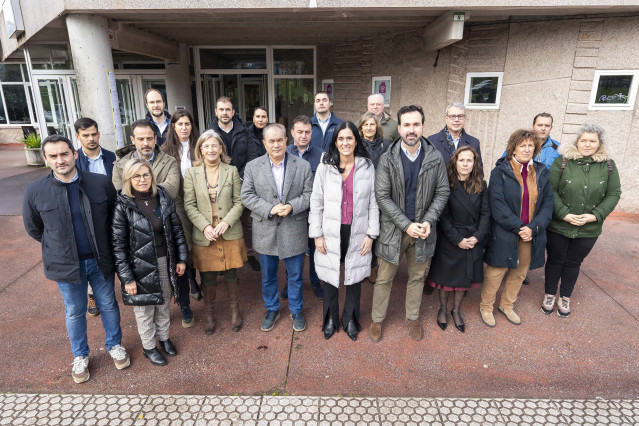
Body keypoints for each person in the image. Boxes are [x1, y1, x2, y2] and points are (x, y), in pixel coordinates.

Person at [23, 135, 129, 384]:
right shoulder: (35, 190)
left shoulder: (100, 183)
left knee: (108, 304)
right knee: (74, 311)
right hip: (65, 265)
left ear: (74, 154)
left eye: (64, 154)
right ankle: (80, 356)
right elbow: (34, 228)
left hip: (100, 259)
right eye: (53, 156)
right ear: (46, 159)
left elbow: (115, 219)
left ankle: (114, 345)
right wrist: (59, 248)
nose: (60, 160)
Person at [369, 105, 449, 343]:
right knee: (384, 277)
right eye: (406, 125)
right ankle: (377, 319)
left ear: (423, 126)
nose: (411, 130)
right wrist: (406, 225)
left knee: (417, 277)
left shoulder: (435, 157)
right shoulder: (387, 159)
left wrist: (427, 220)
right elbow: (382, 196)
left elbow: (443, 191)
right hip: (394, 230)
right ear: (399, 127)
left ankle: (412, 317)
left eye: (416, 124)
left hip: (423, 230)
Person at [112, 119, 195, 328]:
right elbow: (122, 194)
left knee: (178, 268)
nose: (146, 142)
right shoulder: (120, 165)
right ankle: (151, 326)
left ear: (156, 138)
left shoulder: (168, 160)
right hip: (137, 230)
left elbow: (172, 189)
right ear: (133, 140)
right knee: (146, 274)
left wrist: (140, 185)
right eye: (140, 139)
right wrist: (151, 186)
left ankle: (184, 305)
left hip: (166, 222)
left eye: (150, 138)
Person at [112, 158, 188, 366]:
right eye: (136, 176)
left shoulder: (162, 198)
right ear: (129, 179)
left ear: (152, 177)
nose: (142, 179)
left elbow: (177, 231)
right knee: (144, 310)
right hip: (139, 267)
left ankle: (163, 338)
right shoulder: (123, 205)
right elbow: (118, 246)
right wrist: (127, 278)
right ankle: (149, 347)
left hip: (165, 260)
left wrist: (181, 258)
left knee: (163, 303)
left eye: (146, 175)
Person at [309, 121, 379, 341]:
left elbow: (374, 203)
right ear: (335, 141)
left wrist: (371, 234)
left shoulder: (367, 166)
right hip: (330, 229)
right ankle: (330, 318)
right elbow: (316, 201)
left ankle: (350, 319)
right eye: (341, 138)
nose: (345, 142)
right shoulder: (325, 166)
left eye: (349, 138)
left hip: (357, 229)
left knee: (354, 276)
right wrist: (317, 234)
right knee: (330, 275)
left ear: (356, 140)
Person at [542, 124, 621, 317]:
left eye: (592, 141)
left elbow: (614, 193)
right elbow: (549, 190)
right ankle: (550, 294)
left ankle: (565, 296)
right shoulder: (562, 162)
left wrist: (595, 216)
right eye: (583, 140)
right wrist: (564, 214)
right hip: (559, 225)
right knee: (555, 260)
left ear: (599, 143)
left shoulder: (609, 165)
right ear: (576, 142)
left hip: (589, 228)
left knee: (573, 263)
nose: (587, 144)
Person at [241, 123, 313, 333]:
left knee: (296, 276)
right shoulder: (253, 167)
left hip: (294, 228)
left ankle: (296, 309)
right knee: (268, 276)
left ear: (286, 140)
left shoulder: (302, 166)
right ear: (264, 143)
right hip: (266, 229)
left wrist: (292, 206)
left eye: (279, 140)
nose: (276, 144)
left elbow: (310, 195)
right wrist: (270, 208)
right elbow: (246, 196)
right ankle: (272, 308)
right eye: (271, 141)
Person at [480, 129, 553, 328]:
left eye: (531, 146)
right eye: (523, 145)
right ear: (513, 147)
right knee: (496, 271)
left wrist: (533, 228)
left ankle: (507, 305)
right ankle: (486, 307)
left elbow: (548, 204)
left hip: (531, 233)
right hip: (506, 231)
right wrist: (520, 227)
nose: (527, 149)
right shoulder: (500, 171)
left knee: (520, 272)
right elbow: (496, 203)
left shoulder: (542, 171)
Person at [184, 130, 247, 334]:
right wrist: (205, 226)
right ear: (200, 149)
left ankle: (235, 310)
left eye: (214, 146)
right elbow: (189, 205)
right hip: (205, 234)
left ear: (221, 149)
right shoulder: (191, 174)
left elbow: (239, 202)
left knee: (231, 274)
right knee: (208, 277)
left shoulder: (231, 170)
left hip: (228, 232)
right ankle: (209, 314)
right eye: (206, 146)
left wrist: (227, 222)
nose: (210, 149)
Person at [426, 146, 490, 333]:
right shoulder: (446, 183)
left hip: (473, 239)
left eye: (469, 160)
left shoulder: (481, 184)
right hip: (451, 239)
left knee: (464, 280)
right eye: (461, 160)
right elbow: (442, 216)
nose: (465, 164)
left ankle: (456, 311)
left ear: (474, 163)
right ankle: (443, 309)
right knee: (446, 279)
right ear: (455, 161)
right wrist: (458, 239)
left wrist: (477, 237)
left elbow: (486, 213)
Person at [502, 112, 560, 285]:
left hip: (541, 197)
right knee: (515, 232)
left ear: (551, 127)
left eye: (546, 125)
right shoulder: (519, 143)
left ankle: (523, 268)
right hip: (519, 196)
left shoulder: (558, 149)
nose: (543, 128)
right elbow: (502, 164)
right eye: (539, 124)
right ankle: (510, 264)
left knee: (534, 233)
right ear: (533, 126)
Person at [208, 96, 261, 271]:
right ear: (216, 112)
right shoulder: (209, 133)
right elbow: (207, 159)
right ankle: (223, 260)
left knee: (246, 222)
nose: (224, 113)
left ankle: (250, 254)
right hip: (218, 185)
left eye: (227, 109)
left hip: (242, 182)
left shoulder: (245, 131)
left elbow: (253, 156)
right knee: (220, 221)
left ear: (233, 112)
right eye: (221, 110)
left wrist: (239, 178)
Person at [74, 117, 117, 317]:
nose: (91, 138)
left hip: (111, 210)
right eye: (85, 135)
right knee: (93, 255)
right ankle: (92, 293)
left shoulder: (112, 157)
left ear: (98, 134)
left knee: (115, 248)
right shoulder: (75, 161)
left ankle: (125, 283)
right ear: (77, 137)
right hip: (88, 215)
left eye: (93, 134)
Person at [161, 110, 202, 301]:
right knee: (184, 240)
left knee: (198, 239)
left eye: (187, 124)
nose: (184, 128)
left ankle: (203, 274)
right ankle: (192, 280)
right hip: (177, 201)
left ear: (192, 126)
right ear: (173, 126)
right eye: (180, 124)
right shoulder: (165, 150)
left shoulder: (199, 146)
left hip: (199, 200)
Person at [282, 115, 323, 300]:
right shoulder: (283, 153)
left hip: (313, 213)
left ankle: (315, 280)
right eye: (299, 132)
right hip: (291, 213)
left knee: (314, 250)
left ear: (311, 133)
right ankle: (290, 281)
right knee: (291, 251)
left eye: (307, 132)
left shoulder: (321, 155)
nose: (303, 136)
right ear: (292, 133)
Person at [428, 102, 482, 168]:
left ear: (465, 118)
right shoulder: (432, 141)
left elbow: (478, 170)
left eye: (460, 116)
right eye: (452, 116)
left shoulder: (474, 142)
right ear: (446, 118)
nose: (456, 120)